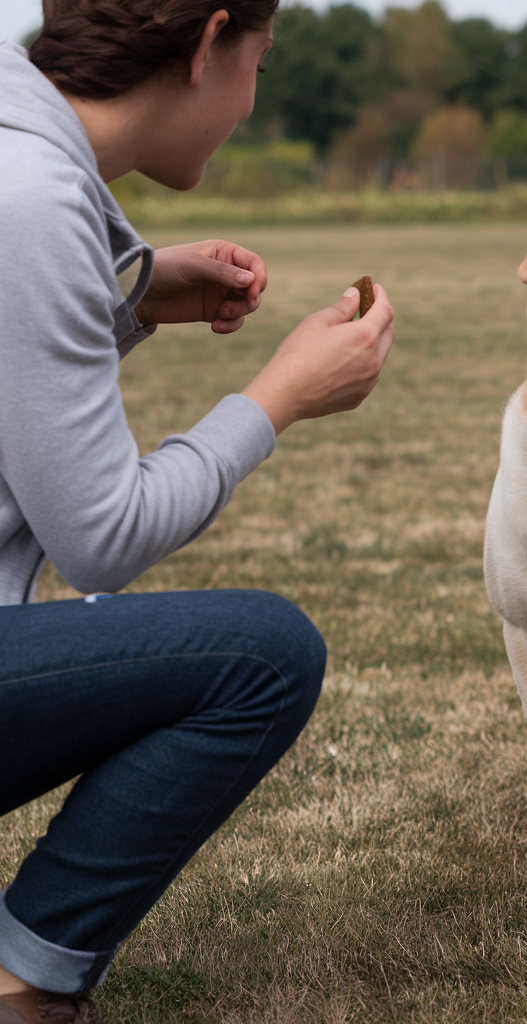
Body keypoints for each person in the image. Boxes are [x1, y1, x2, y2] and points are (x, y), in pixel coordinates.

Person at [0, 2, 396, 1021]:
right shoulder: (32, 200)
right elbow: (102, 535)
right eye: (257, 62)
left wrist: (128, 293)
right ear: (206, 43)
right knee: (262, 652)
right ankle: (21, 986)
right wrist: (276, 400)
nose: (250, 101)